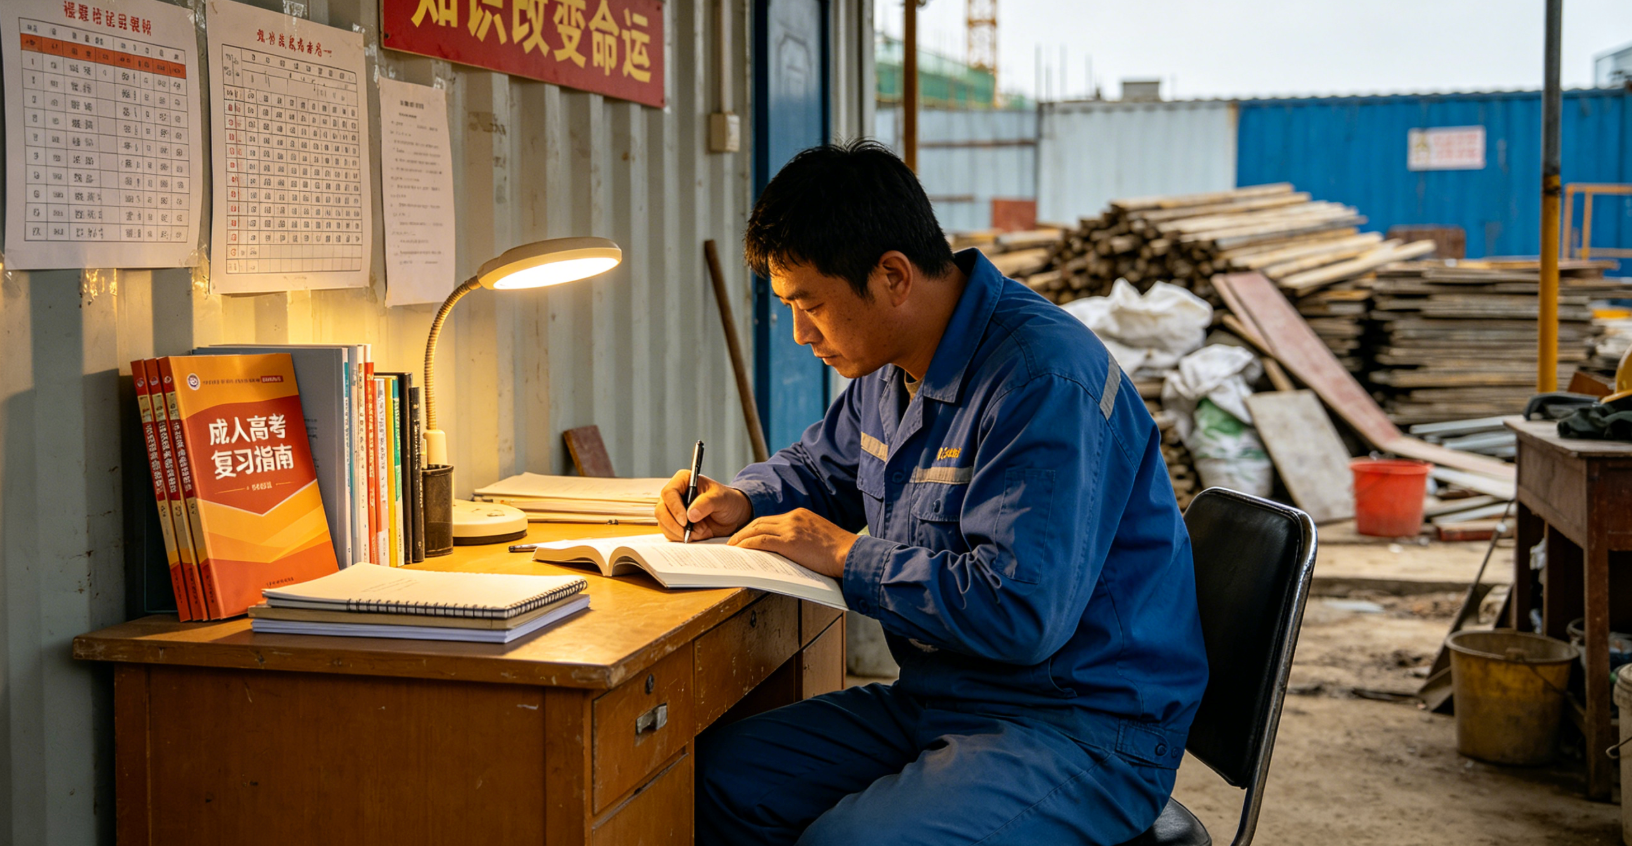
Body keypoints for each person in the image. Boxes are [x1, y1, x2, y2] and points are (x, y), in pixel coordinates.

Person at [654, 140, 1208, 846]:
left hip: (1081, 726)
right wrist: (741, 497)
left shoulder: (1041, 381)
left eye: (810, 305)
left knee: (850, 844)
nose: (799, 334)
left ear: (892, 276)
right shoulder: (889, 372)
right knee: (711, 782)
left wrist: (849, 557)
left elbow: (1020, 612)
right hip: (944, 699)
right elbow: (822, 469)